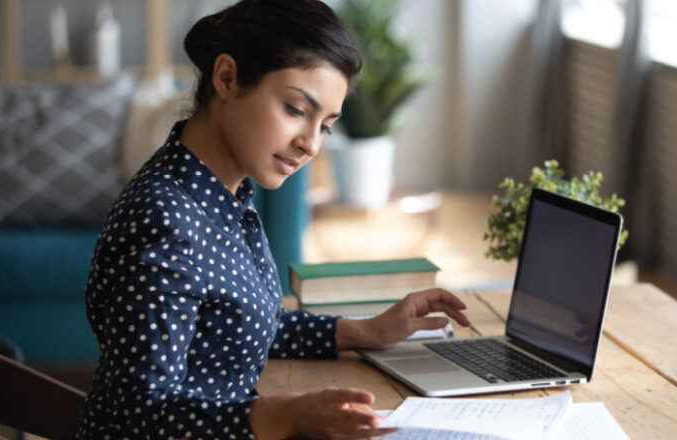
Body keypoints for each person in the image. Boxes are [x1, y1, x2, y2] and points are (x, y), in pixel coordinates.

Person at [75, 1, 470, 439]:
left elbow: (238, 325)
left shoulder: (224, 197)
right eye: (297, 110)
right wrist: (284, 417)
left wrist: (369, 330)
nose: (310, 145)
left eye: (326, 125)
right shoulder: (166, 220)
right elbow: (139, 417)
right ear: (227, 78)